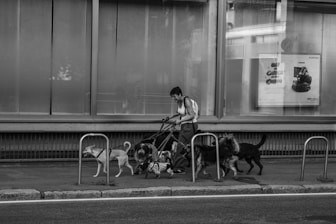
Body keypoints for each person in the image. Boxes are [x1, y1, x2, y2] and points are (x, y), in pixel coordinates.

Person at [169, 86, 199, 174]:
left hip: (190, 125)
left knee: (181, 146)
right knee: (182, 145)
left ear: (179, 94)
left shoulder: (187, 101)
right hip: (184, 125)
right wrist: (171, 118)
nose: (173, 98)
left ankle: (180, 168)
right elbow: (180, 113)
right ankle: (181, 165)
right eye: (172, 97)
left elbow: (192, 115)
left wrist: (180, 120)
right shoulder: (179, 101)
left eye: (174, 96)